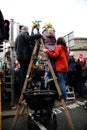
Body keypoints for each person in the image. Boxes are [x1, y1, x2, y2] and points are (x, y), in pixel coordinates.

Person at [15, 26, 42, 92]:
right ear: (26, 30)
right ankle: (23, 88)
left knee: (23, 72)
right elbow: (28, 38)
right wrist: (37, 35)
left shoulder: (17, 37)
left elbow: (16, 47)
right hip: (25, 57)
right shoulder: (24, 33)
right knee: (25, 73)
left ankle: (23, 88)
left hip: (20, 57)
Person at [43, 37, 69, 102]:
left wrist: (47, 51)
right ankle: (63, 98)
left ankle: (63, 99)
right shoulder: (66, 49)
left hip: (59, 68)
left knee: (61, 84)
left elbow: (55, 55)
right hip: (65, 68)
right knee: (63, 83)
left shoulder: (58, 47)